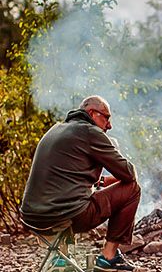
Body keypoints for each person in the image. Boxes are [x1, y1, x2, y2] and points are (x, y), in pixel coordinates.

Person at [20, 95, 141, 271]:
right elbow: (129, 174)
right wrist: (114, 149)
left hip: (31, 217)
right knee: (133, 189)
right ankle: (109, 257)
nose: (109, 125)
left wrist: (101, 181)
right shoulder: (90, 132)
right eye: (106, 117)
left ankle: (59, 257)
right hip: (64, 216)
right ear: (92, 113)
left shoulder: (57, 129)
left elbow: (65, 175)